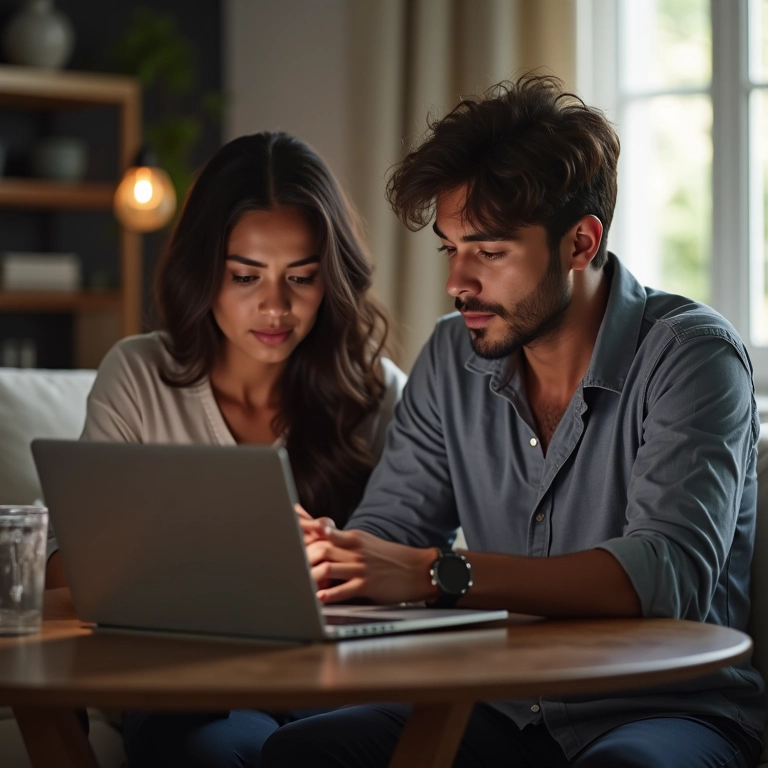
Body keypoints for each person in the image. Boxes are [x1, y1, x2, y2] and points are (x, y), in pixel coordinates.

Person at [257, 75, 767, 768]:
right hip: (492, 704)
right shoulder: (450, 356)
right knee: (299, 752)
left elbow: (663, 576)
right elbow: (392, 534)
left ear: (580, 243)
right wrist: (330, 555)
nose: (457, 281)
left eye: (490, 253)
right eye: (450, 248)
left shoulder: (691, 357)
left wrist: (440, 573)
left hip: (661, 706)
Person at [46, 131, 407, 766]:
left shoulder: (375, 392)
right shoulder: (139, 375)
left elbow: (424, 565)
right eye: (245, 276)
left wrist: (342, 557)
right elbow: (64, 572)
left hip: (337, 684)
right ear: (203, 271)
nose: (275, 306)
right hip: (191, 691)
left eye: (301, 277)